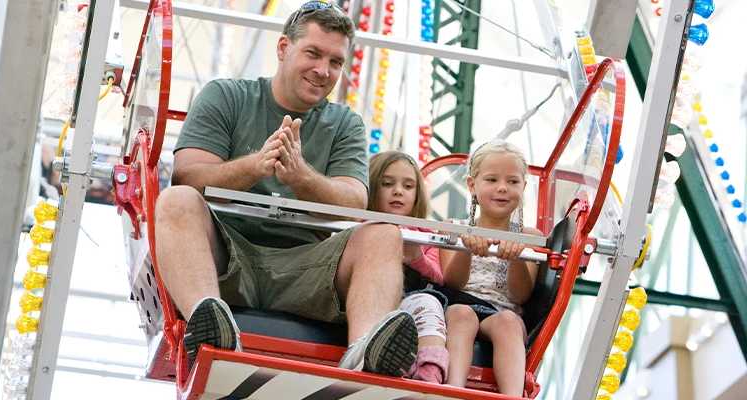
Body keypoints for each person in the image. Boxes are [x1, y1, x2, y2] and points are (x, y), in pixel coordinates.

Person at [154, 1, 416, 377]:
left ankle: (363, 357)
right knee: (177, 201)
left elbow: (354, 201)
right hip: (227, 254)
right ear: (283, 49)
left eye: (336, 62)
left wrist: (301, 178)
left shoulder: (345, 124)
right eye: (313, 53)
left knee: (383, 234)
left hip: (307, 266)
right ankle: (210, 326)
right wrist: (254, 166)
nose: (323, 71)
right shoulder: (226, 96)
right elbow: (188, 177)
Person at [438, 140, 542, 395]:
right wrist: (466, 249)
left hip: (502, 311)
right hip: (462, 303)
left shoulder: (529, 236)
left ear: (523, 187)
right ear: (472, 185)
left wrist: (515, 256)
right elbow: (451, 283)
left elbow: (521, 295)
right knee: (461, 313)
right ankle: (453, 391)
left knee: (508, 321)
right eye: (492, 180)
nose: (502, 188)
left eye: (513, 182)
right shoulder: (454, 228)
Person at [367, 151, 449, 384]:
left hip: (409, 299)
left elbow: (442, 277)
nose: (398, 191)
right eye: (387, 184)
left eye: (408, 185)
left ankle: (429, 372)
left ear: (417, 194)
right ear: (372, 186)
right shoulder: (362, 225)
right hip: (369, 298)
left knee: (429, 304)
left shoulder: (427, 235)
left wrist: (416, 258)